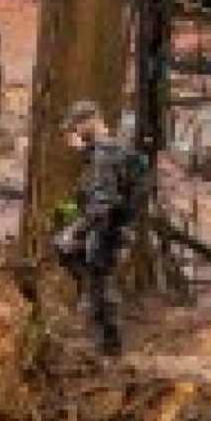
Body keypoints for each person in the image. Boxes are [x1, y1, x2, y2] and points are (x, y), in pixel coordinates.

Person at [52, 100, 150, 356]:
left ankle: (109, 348)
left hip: (108, 229)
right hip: (117, 226)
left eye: (76, 127)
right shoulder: (111, 148)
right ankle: (103, 337)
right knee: (94, 279)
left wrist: (76, 232)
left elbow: (102, 205)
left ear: (90, 122)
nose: (74, 133)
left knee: (99, 284)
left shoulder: (103, 156)